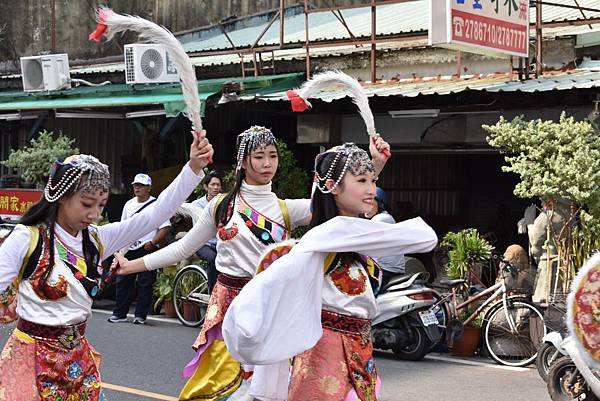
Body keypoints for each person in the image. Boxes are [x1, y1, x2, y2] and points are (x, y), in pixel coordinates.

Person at [113, 126, 391, 401]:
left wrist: (372, 169)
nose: (268, 163)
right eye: (259, 156)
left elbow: (339, 199)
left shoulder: (286, 209)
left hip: (270, 313)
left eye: (273, 155)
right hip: (227, 312)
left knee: (268, 391)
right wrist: (130, 266)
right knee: (211, 388)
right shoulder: (221, 206)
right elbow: (183, 248)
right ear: (243, 161)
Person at [0, 131, 213, 401]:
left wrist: (193, 167)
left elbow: (155, 215)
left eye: (100, 205)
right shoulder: (27, 238)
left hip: (77, 362)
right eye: (87, 204)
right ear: (61, 196)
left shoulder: (97, 239)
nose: (94, 214)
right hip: (30, 361)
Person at [222, 143, 437, 401]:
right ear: (333, 187)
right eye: (362, 181)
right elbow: (424, 237)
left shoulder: (353, 240)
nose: (372, 189)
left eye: (373, 181)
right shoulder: (323, 240)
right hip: (324, 363)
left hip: (360, 357)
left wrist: (372, 169)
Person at [108, 173, 172, 325]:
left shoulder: (157, 205)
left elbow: (166, 227)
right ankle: (120, 313)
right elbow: (123, 227)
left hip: (146, 247)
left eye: (141, 186)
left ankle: (141, 315)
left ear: (149, 188)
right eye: (135, 185)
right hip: (129, 248)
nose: (137, 188)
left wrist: (152, 242)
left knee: (145, 282)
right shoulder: (128, 204)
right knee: (123, 281)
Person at [191, 170, 223, 293]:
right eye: (213, 184)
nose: (216, 187)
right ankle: (212, 294)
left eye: (218, 185)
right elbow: (199, 229)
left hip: (220, 242)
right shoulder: (197, 205)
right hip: (202, 243)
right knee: (213, 259)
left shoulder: (224, 203)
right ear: (206, 187)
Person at [368, 187, 405, 287]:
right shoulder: (383, 217)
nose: (366, 207)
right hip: (384, 268)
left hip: (386, 270)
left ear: (380, 204)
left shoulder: (381, 218)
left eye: (370, 203)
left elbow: (364, 241)